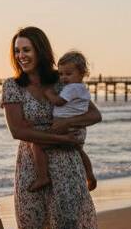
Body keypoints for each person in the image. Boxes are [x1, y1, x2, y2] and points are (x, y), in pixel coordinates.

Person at [1, 27, 113, 229]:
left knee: (67, 228)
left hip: (66, 164)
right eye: (17, 50)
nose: (21, 55)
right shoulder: (12, 86)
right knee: (29, 226)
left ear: (40, 50)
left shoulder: (62, 80)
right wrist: (62, 136)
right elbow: (18, 131)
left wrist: (64, 128)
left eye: (26, 49)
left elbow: (93, 114)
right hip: (31, 163)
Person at [28, 50, 97, 191]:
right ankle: (90, 175)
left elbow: (59, 102)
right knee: (80, 151)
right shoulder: (82, 89)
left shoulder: (71, 88)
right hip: (79, 130)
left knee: (37, 145)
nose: (64, 78)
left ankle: (42, 177)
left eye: (68, 74)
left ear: (82, 73)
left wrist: (49, 93)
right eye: (61, 74)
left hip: (64, 127)